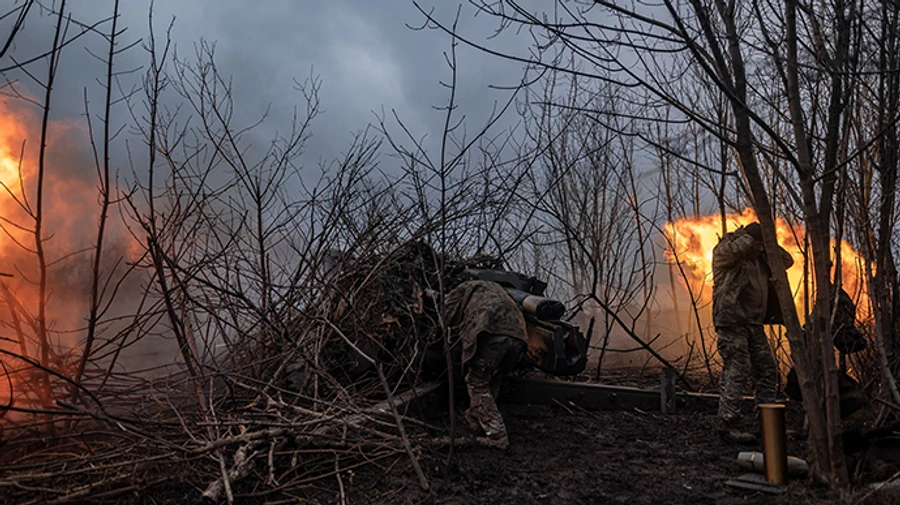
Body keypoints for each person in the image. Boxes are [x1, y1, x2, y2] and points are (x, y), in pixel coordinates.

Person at [712, 221, 793, 444]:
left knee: (768, 370)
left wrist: (768, 243)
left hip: (754, 324)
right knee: (737, 369)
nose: (759, 249)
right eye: (757, 244)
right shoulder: (727, 250)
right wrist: (749, 238)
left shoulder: (762, 256)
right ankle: (728, 425)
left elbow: (787, 260)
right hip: (732, 322)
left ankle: (767, 424)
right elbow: (735, 250)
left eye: (761, 245)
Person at [444, 279, 528, 450]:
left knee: (477, 382)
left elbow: (447, 316)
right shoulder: (497, 290)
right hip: (519, 338)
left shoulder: (463, 287)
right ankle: (477, 420)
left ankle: (497, 436)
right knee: (493, 379)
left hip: (493, 334)